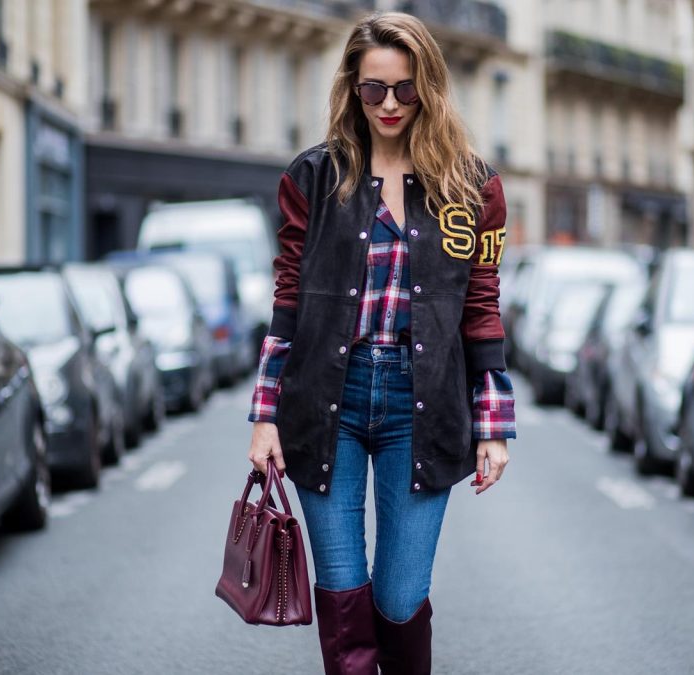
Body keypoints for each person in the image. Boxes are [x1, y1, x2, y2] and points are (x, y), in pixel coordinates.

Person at [246, 11, 516, 674]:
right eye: (374, 90)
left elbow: (481, 308)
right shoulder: (311, 179)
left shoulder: (473, 188)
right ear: (352, 89)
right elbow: (287, 301)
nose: (390, 104)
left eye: (405, 89)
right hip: (323, 403)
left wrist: (495, 423)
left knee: (399, 599)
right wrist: (263, 414)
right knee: (343, 596)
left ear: (429, 88)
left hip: (420, 406)